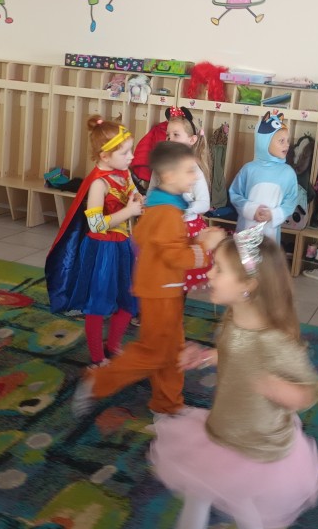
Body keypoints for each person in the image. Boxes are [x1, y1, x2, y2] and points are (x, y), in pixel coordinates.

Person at [123, 224, 318, 529]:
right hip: (230, 429)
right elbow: (235, 350)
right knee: (240, 502)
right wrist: (209, 356)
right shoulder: (235, 317)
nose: (209, 274)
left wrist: (284, 391)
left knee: (201, 492)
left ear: (248, 285)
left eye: (218, 269)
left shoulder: (273, 341)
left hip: (253, 441)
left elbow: (310, 389)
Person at [73, 142, 224, 418]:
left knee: (172, 350)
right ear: (169, 176)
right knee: (154, 352)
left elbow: (162, 244)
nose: (194, 176)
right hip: (160, 291)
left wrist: (196, 240)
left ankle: (168, 403)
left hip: (165, 289)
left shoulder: (164, 206)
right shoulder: (166, 212)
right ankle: (98, 382)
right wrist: (205, 246)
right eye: (189, 171)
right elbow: (175, 256)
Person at [46, 116, 142, 365]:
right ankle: (98, 357)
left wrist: (139, 199)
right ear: (105, 156)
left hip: (123, 245)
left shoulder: (124, 172)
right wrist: (128, 212)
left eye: (130, 150)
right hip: (102, 250)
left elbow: (134, 194)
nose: (131, 156)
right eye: (125, 152)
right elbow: (96, 224)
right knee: (97, 304)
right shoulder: (99, 183)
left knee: (128, 298)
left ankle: (113, 345)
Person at [150, 108, 213, 292]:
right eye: (168, 135)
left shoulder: (194, 170)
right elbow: (151, 193)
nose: (170, 139)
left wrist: (184, 209)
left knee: (181, 275)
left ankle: (175, 304)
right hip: (162, 226)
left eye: (176, 135)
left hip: (187, 229)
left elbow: (204, 203)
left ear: (192, 140)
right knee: (163, 271)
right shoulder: (159, 169)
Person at [228, 110, 297, 244]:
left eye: (288, 141)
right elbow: (235, 194)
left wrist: (274, 214)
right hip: (245, 233)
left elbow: (291, 201)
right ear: (264, 142)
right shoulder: (249, 169)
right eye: (281, 141)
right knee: (243, 257)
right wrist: (251, 210)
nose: (287, 145)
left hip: (271, 235)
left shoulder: (288, 173)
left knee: (268, 257)